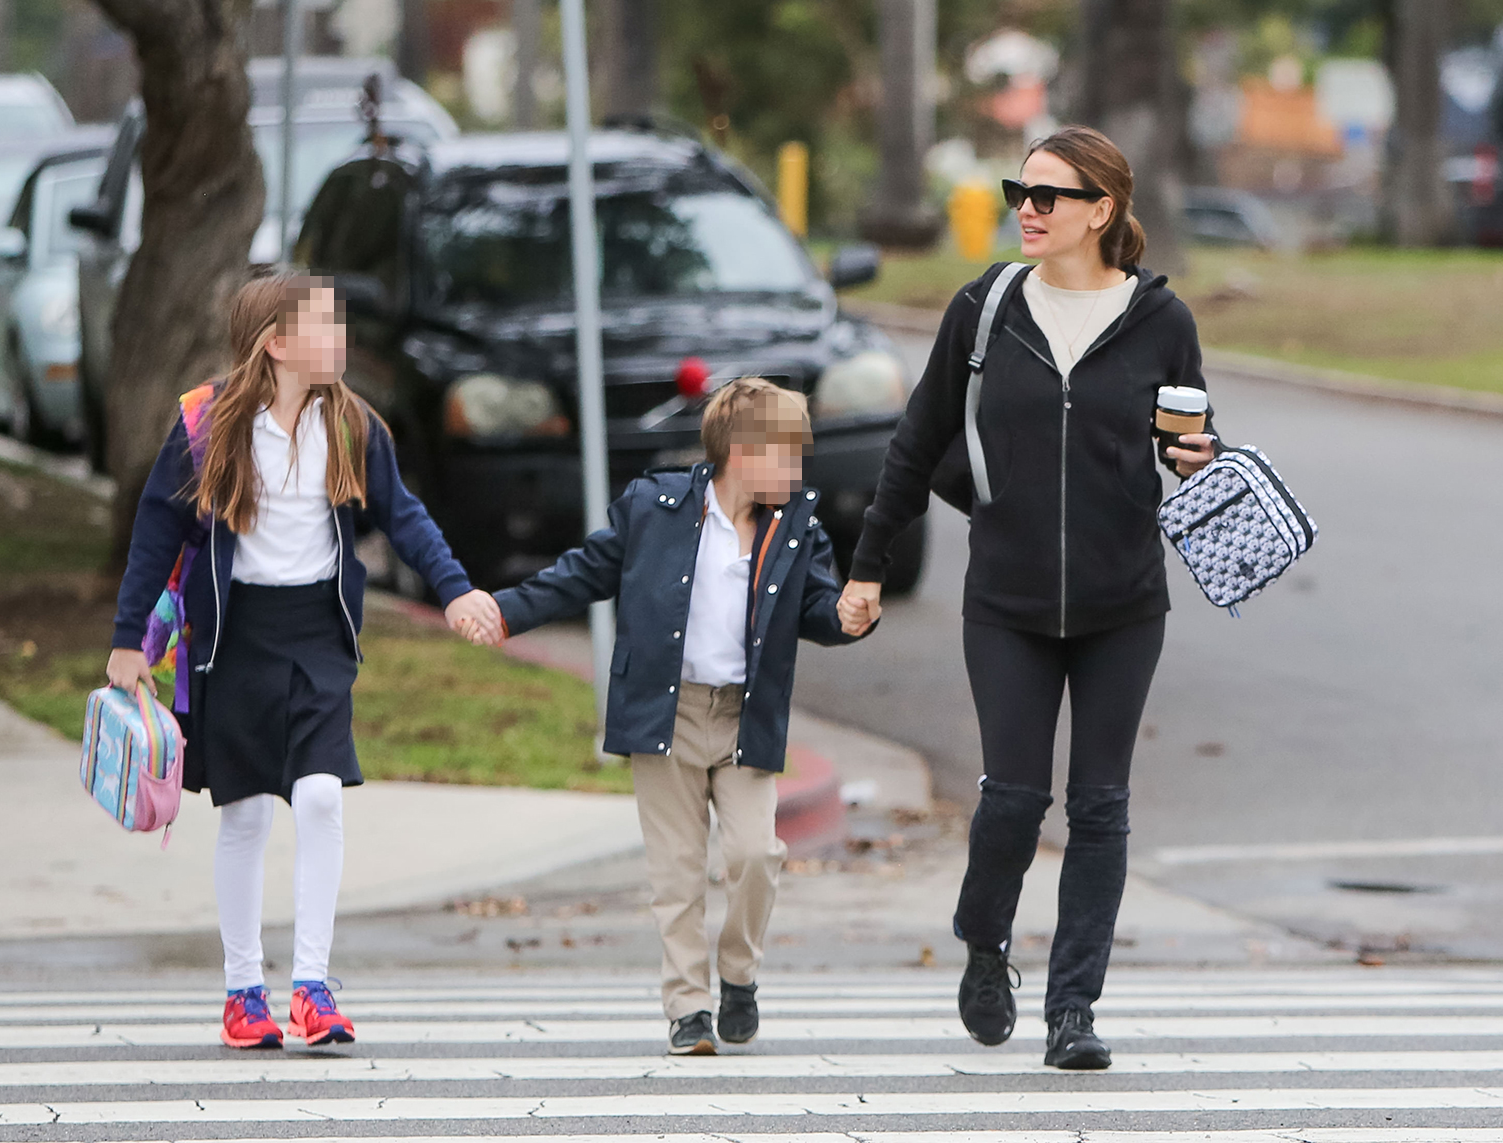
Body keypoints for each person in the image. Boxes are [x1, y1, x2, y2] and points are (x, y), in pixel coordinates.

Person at [839, 126, 1219, 1070]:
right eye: (1021, 191)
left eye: (1049, 195)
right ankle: (984, 942)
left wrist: (1195, 453)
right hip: (1005, 598)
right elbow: (916, 440)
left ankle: (1073, 1010)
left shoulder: (1161, 321)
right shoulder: (985, 307)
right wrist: (868, 561)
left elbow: (1192, 432)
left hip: (1124, 602)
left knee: (1100, 805)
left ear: (1103, 211)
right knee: (1013, 796)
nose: (1028, 210)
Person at [105, 272, 501, 1050]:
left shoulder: (351, 423)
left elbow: (404, 515)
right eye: (326, 325)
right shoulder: (207, 424)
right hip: (236, 636)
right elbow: (158, 530)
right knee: (247, 811)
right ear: (277, 343)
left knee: (321, 796)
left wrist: (454, 589)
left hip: (319, 633)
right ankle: (242, 990)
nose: (342, 338)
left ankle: (313, 988)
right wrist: (127, 640)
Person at [463, 378, 873, 1055]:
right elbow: (581, 573)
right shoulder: (654, 507)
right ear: (742, 452)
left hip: (744, 716)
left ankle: (738, 974)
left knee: (753, 854)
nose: (799, 473)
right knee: (677, 869)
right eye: (787, 456)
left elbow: (821, 612)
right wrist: (506, 610)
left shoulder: (798, 527)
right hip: (667, 710)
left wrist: (850, 617)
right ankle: (688, 1006)